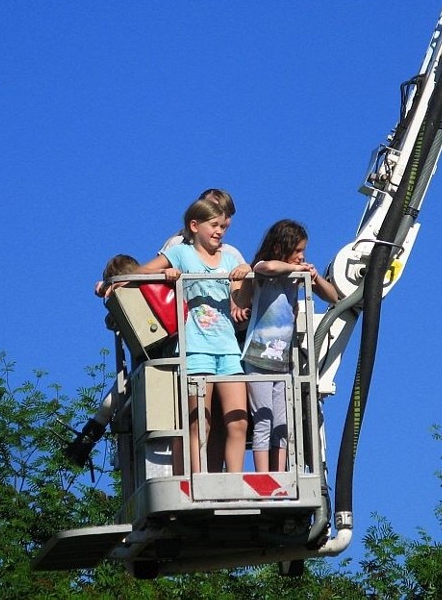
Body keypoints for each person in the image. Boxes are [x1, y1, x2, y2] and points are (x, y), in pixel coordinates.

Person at [139, 199, 251, 473]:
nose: (219, 231)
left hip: (227, 348)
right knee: (200, 420)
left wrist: (247, 275)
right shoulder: (181, 253)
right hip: (196, 347)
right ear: (194, 225)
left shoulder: (229, 258)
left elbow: (239, 300)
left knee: (238, 420)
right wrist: (164, 273)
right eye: (214, 225)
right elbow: (140, 273)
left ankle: (235, 479)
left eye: (223, 226)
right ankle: (198, 476)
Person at [240, 219, 338, 472]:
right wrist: (293, 268)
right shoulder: (263, 269)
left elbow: (333, 296)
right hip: (258, 355)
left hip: (283, 361)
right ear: (280, 248)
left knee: (282, 421)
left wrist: (314, 276)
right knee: (263, 418)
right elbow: (269, 266)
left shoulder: (297, 276)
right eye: (297, 251)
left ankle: (279, 471)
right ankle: (263, 475)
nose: (301, 256)